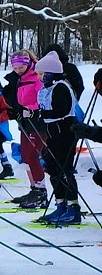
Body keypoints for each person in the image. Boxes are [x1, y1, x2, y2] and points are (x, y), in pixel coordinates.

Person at [32, 50, 82, 225]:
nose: (39, 77)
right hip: (52, 132)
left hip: (65, 132)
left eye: (41, 73)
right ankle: (60, 203)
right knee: (53, 168)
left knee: (64, 168)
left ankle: (73, 207)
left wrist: (42, 114)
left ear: (51, 73)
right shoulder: (47, 88)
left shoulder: (61, 86)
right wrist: (37, 114)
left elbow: (61, 110)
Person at [3, 50, 49, 209]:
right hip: (25, 121)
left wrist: (29, 110)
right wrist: (14, 109)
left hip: (37, 122)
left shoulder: (37, 76)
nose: (17, 70)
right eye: (14, 67)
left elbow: (42, 99)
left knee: (32, 155)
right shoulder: (19, 78)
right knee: (25, 155)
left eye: (20, 67)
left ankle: (41, 191)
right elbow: (17, 98)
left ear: (28, 63)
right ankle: (34, 188)